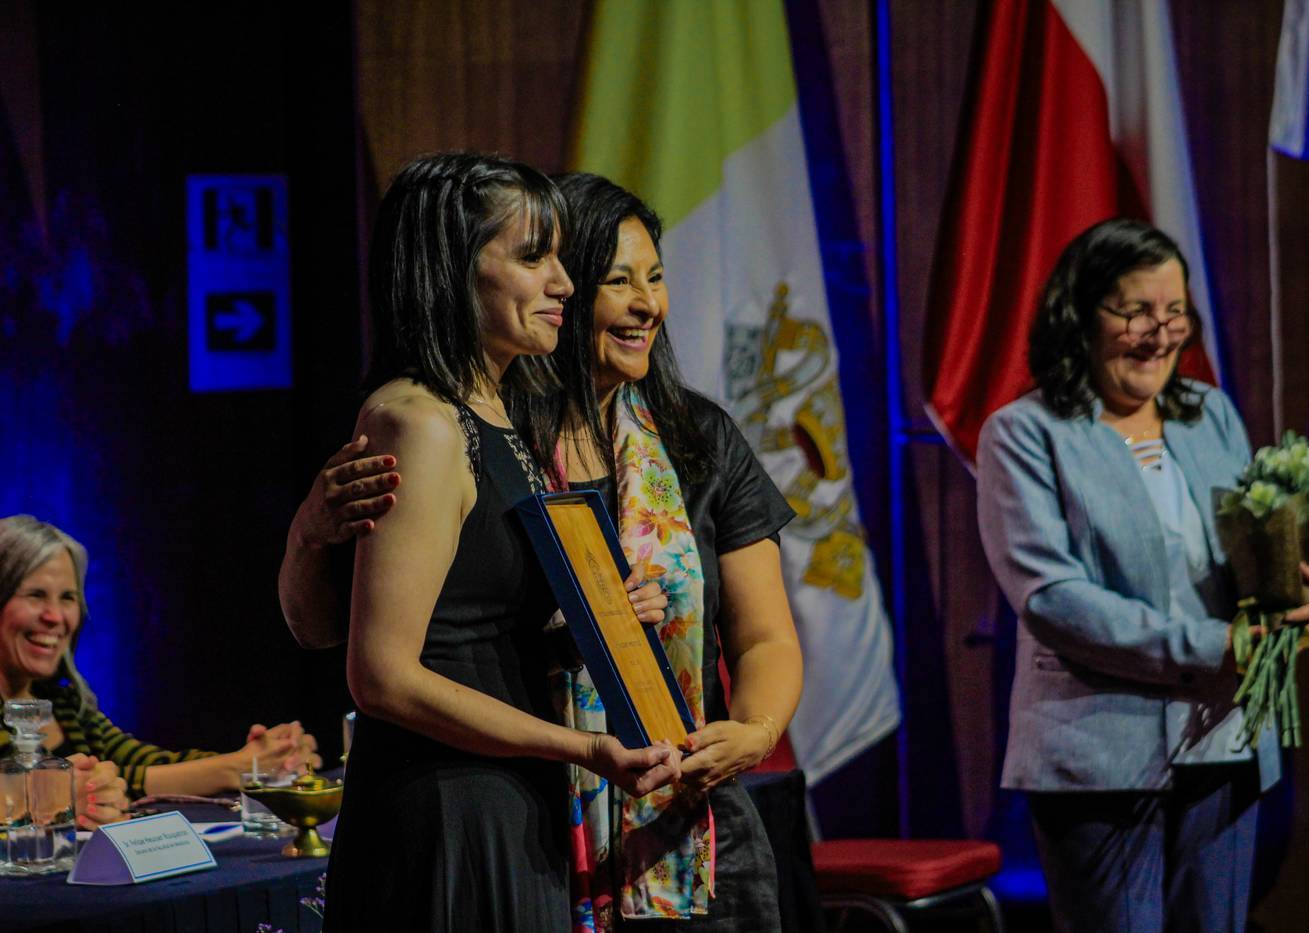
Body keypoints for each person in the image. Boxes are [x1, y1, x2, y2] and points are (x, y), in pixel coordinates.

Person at [282, 172, 804, 931]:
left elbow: (766, 636)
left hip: (673, 821)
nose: (645, 303)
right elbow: (354, 642)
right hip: (531, 804)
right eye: (614, 279)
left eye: (655, 278)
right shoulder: (466, 422)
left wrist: (753, 732)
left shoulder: (696, 440)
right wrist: (303, 532)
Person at [976, 218, 1309, 932]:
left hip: (1226, 741)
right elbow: (1054, 599)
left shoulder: (1210, 413)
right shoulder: (1023, 433)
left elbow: (1256, 560)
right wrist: (1217, 647)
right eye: (1135, 312)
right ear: (1080, 315)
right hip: (1098, 759)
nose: (1160, 333)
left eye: (1174, 311)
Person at [0, 515, 318, 830]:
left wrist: (258, 761)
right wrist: (58, 798)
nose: (55, 616)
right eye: (35, 595)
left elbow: (140, 766)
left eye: (68, 597)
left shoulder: (66, 705)